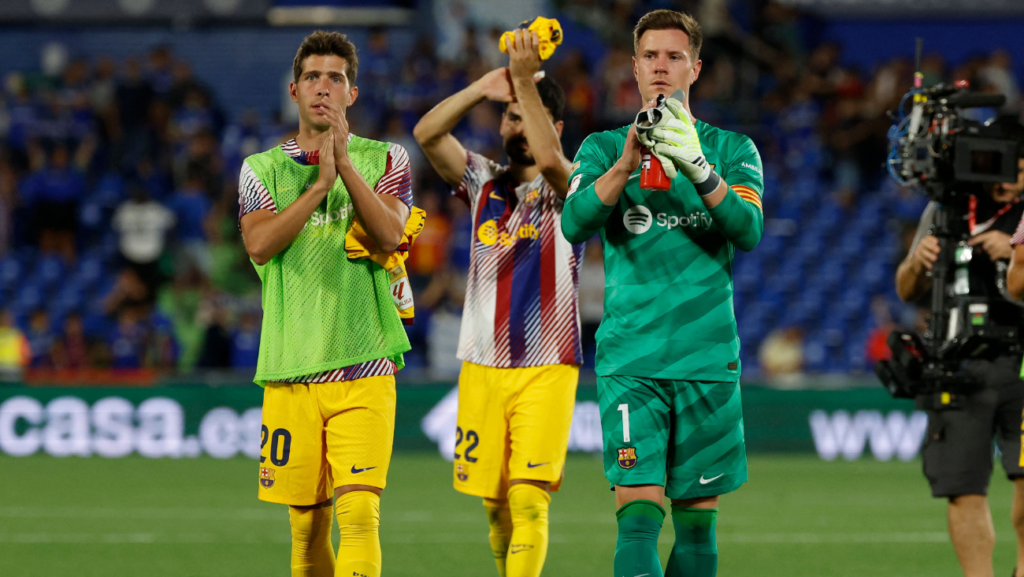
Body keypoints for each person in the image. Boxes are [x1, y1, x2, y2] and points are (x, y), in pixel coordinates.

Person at [561, 10, 764, 577]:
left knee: (698, 526)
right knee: (638, 515)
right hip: (633, 357)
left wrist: (698, 167)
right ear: (633, 65)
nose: (661, 66)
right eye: (651, 55)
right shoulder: (602, 148)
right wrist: (628, 162)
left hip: (706, 358)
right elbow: (572, 224)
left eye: (674, 56)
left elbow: (748, 231)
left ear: (695, 69)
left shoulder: (731, 149)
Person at [238, 31, 413, 577]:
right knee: (306, 526)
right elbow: (260, 245)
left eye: (335, 78)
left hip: (364, 361)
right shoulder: (259, 169)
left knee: (359, 512)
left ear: (351, 93)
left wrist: (346, 168)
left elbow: (388, 235)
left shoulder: (387, 158)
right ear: (294, 90)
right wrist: (319, 186)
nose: (323, 88)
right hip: (291, 367)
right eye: (312, 77)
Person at [413, 29, 582, 577]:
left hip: (546, 369)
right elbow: (427, 132)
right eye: (508, 117)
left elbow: (554, 162)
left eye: (523, 116)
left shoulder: (574, 186)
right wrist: (481, 88)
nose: (513, 126)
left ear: (551, 126)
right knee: (495, 505)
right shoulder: (484, 182)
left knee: (530, 498)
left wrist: (525, 92)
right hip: (482, 366)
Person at [931, 118, 1024, 577]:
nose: (1009, 179)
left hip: (1022, 361)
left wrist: (1015, 251)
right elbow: (907, 284)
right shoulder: (948, 210)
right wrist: (919, 259)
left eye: (1019, 169)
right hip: (961, 361)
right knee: (963, 487)